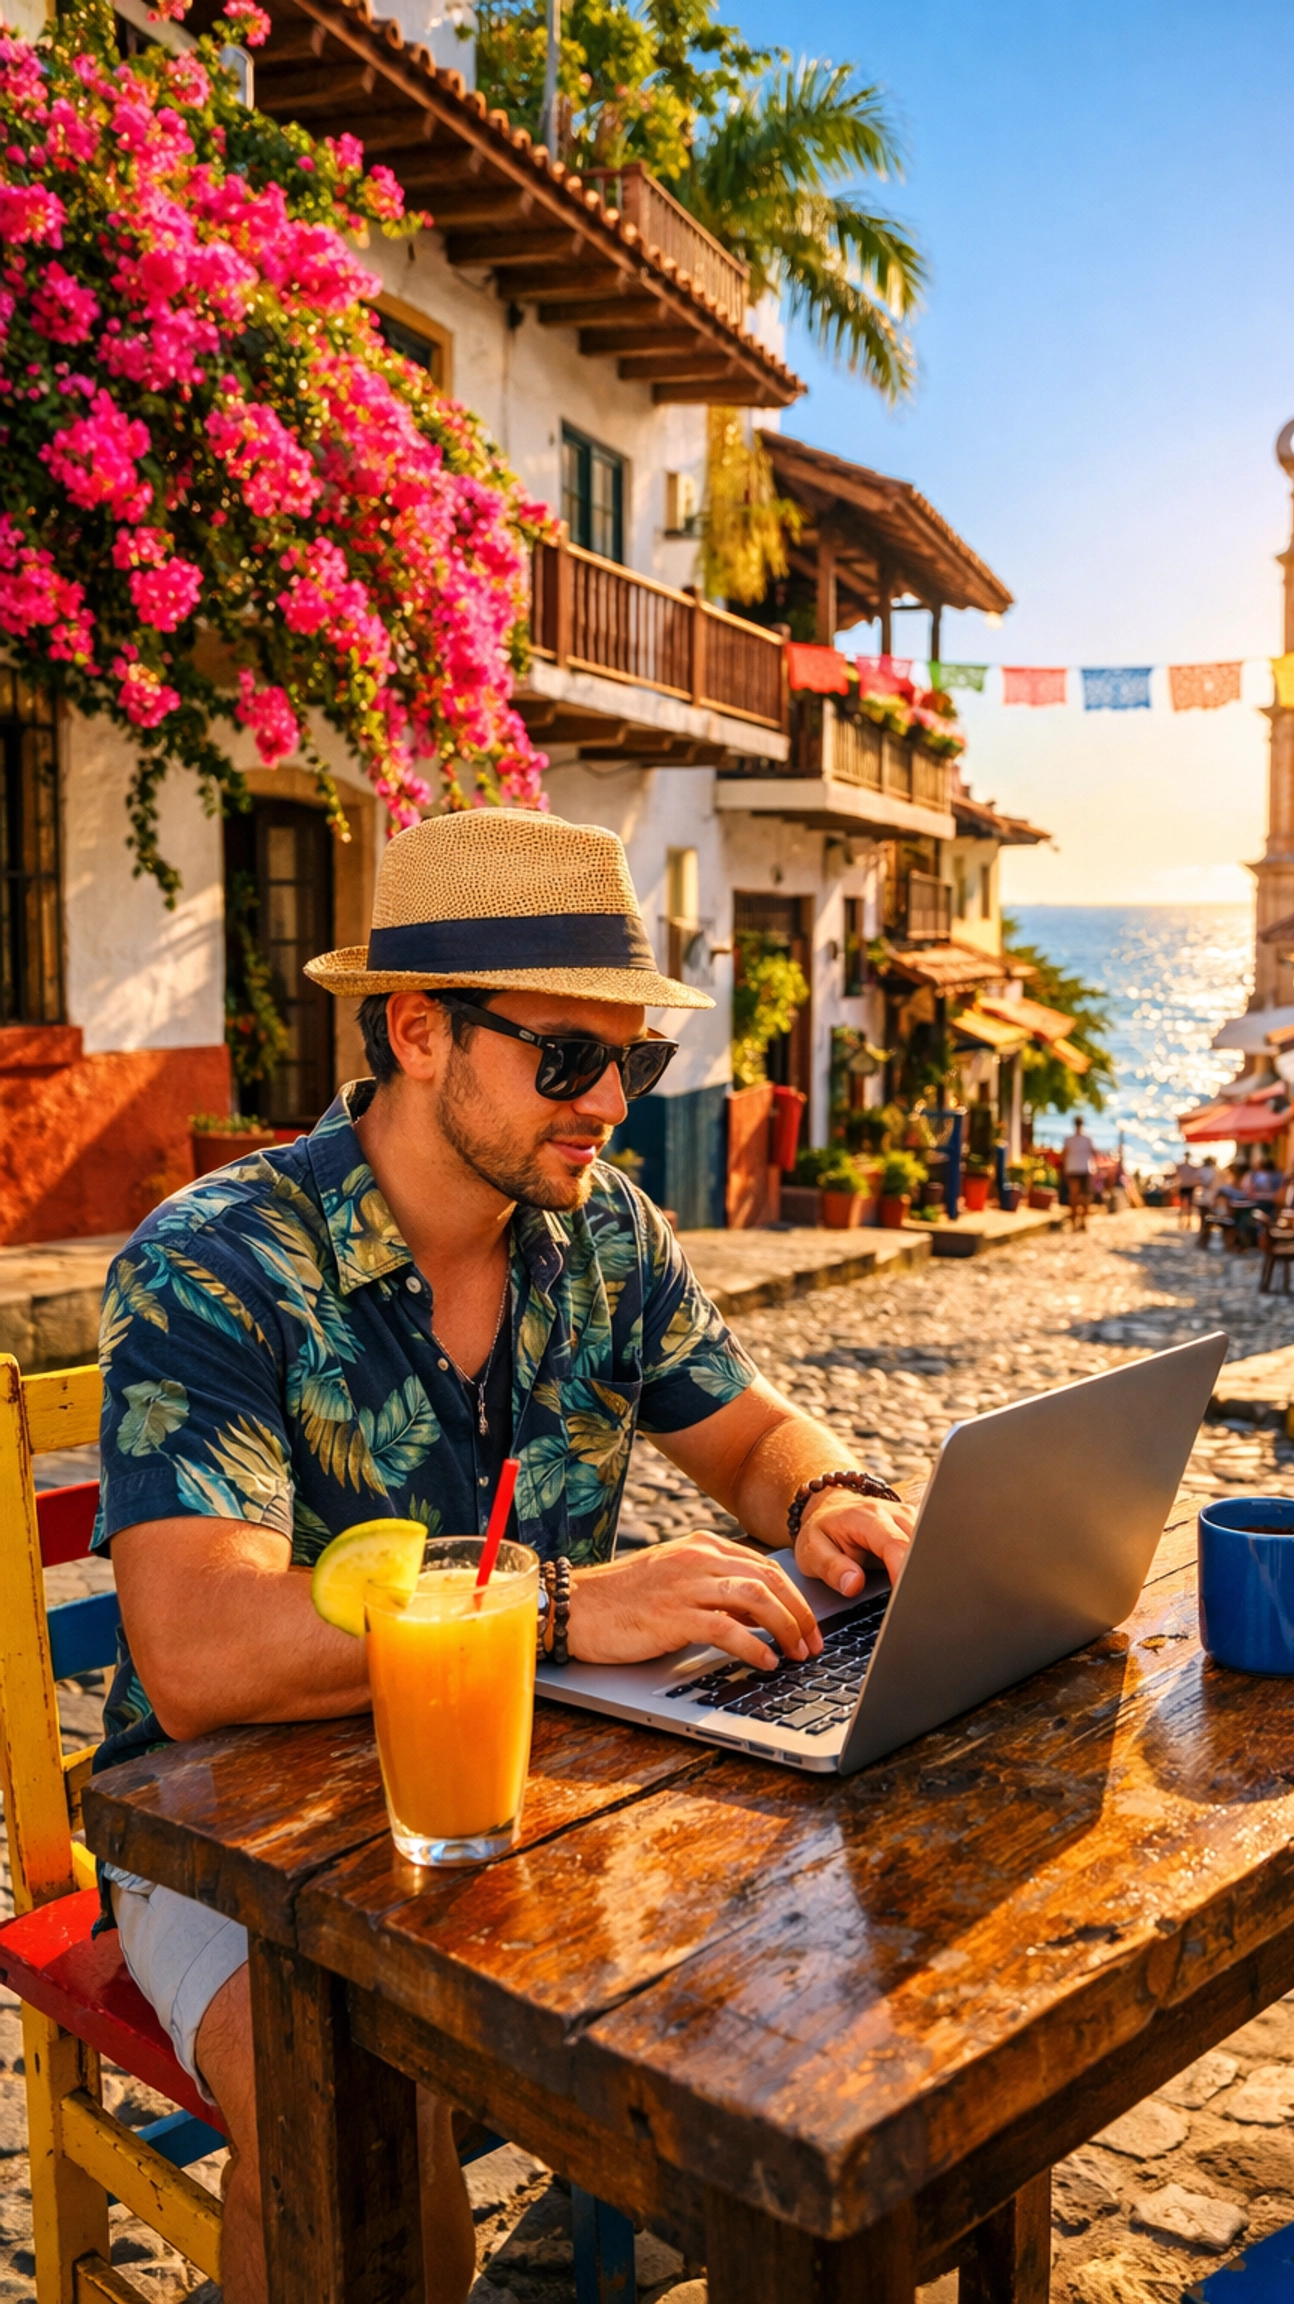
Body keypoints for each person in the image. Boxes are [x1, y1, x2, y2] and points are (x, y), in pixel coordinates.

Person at [91, 811, 915, 2304]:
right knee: (358, 2133)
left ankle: (602, 2221)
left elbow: (742, 1433)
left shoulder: (602, 1231)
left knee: (841, 1988)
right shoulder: (216, 1262)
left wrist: (823, 1494)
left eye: (633, 1062)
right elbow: (201, 1657)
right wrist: (558, 1608)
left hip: (538, 1787)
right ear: (419, 1031)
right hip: (226, 1839)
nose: (609, 1102)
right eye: (565, 1058)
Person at [1061, 1113, 1097, 1233]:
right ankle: (1082, 1221)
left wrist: (1064, 1168)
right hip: (1084, 1169)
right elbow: (1094, 1153)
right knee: (1085, 1197)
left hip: (1072, 1168)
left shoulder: (1068, 1139)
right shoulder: (1088, 1139)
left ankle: (1074, 1222)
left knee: (1074, 1196)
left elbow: (1064, 1155)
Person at [1172, 1155, 1202, 1229]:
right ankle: (1187, 1223)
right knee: (1188, 1207)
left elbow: (1176, 1170)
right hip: (1188, 1187)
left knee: (1184, 1206)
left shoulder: (1182, 1166)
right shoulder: (1191, 1167)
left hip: (1184, 1186)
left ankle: (1183, 1223)